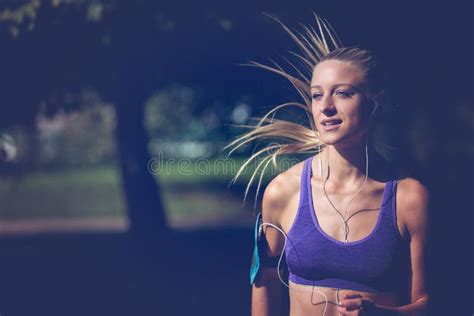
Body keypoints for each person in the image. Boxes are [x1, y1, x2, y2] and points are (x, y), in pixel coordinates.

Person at [225, 15, 429, 315]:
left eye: (343, 93)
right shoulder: (283, 191)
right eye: (317, 95)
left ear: (376, 101)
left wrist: (383, 314)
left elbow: (429, 303)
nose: (326, 106)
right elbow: (264, 282)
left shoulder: (410, 199)